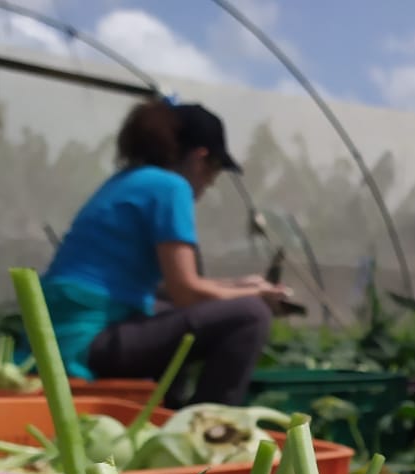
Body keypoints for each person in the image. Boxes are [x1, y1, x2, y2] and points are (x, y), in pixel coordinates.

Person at [23, 97, 292, 407]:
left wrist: (245, 286)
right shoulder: (171, 187)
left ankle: (168, 408)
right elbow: (186, 292)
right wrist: (255, 298)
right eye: (213, 171)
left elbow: (169, 287)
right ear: (199, 158)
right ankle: (208, 431)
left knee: (167, 308)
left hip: (58, 334)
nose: (209, 184)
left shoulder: (128, 181)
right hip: (85, 341)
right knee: (250, 315)